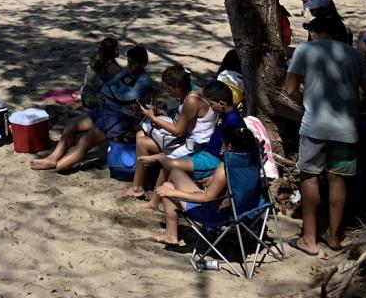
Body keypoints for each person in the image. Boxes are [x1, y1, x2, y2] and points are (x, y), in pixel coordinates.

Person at [285, 10, 366, 255]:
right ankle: (334, 236)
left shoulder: (306, 50)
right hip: (347, 128)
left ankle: (309, 239)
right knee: (339, 180)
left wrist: (305, 100)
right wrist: (356, 107)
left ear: (315, 33)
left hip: (315, 126)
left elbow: (290, 87)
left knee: (310, 178)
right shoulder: (356, 56)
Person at [30, 45, 153, 173]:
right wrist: (115, 93)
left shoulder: (144, 80)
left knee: (84, 142)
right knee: (71, 124)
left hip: (119, 118)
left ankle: (57, 167)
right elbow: (106, 88)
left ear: (143, 63)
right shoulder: (126, 72)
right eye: (128, 61)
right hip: (106, 109)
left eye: (133, 63)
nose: (128, 65)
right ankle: (52, 158)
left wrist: (115, 93)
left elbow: (124, 97)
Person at [151, 126, 261, 250]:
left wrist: (173, 193)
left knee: (167, 187)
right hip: (244, 210)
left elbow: (206, 198)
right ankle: (170, 232)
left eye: (223, 143)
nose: (221, 147)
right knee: (176, 172)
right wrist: (214, 181)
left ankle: (171, 234)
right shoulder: (253, 160)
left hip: (216, 214)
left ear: (229, 147)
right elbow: (238, 184)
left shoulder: (225, 168)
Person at [126, 66, 216, 199]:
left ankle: (153, 198)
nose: (167, 91)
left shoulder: (192, 99)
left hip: (194, 145)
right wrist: (158, 112)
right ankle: (138, 187)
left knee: (145, 135)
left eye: (168, 88)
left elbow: (178, 131)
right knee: (141, 139)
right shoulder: (190, 89)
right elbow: (182, 119)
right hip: (186, 137)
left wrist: (153, 117)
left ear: (178, 87)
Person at [79, 37, 121, 109]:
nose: (119, 51)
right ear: (111, 52)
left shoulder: (94, 59)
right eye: (117, 49)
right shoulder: (111, 66)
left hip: (85, 96)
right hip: (97, 101)